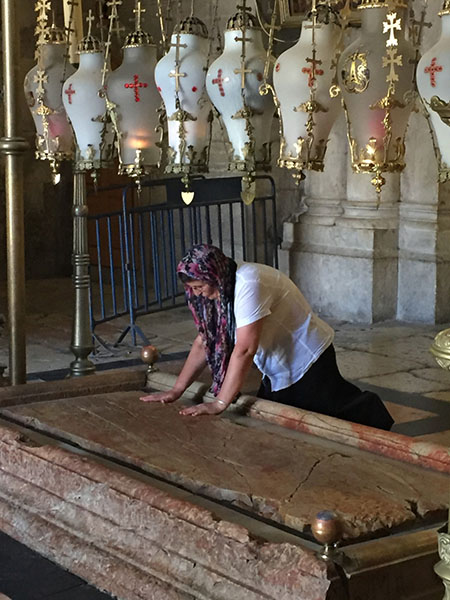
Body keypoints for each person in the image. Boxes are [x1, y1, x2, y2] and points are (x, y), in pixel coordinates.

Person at [140, 244, 394, 430]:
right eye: (192, 290)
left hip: (308, 357)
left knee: (332, 412)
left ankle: (374, 412)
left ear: (213, 275)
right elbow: (204, 342)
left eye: (199, 287)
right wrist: (175, 390)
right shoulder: (221, 288)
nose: (199, 295)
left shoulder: (247, 282)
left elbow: (245, 349)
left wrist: (219, 403)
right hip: (276, 362)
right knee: (277, 419)